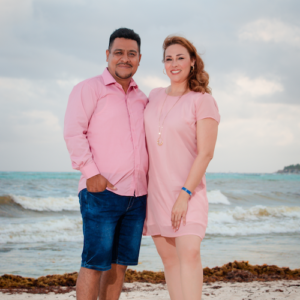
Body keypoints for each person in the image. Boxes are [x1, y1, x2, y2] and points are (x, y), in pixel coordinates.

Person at [64, 28, 148, 300]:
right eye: (119, 52)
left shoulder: (142, 98)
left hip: (137, 197)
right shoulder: (88, 88)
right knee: (93, 264)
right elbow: (73, 132)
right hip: (102, 193)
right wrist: (92, 173)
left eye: (131, 54)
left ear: (139, 58)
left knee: (119, 265)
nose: (125, 58)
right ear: (108, 55)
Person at [143, 36, 220, 300]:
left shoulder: (202, 101)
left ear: (193, 62)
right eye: (168, 58)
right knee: (171, 263)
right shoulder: (153, 96)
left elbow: (206, 153)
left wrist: (184, 194)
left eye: (180, 58)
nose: (174, 64)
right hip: (157, 195)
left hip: (188, 193)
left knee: (189, 254)